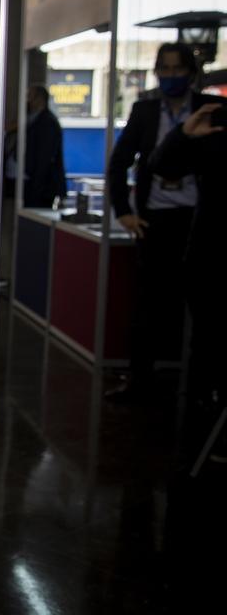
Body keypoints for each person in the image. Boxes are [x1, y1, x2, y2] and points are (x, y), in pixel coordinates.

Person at [105, 43, 223, 402]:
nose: (171, 76)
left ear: (191, 73)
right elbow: (120, 163)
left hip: (199, 221)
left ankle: (201, 390)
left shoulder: (213, 111)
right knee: (148, 306)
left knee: (205, 310)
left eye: (177, 69)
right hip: (154, 220)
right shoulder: (145, 112)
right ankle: (139, 380)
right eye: (164, 69)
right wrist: (123, 210)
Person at [151, 100, 226, 449]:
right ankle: (199, 430)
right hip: (211, 259)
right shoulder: (215, 126)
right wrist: (184, 134)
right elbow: (161, 165)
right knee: (208, 345)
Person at [21, 85, 67, 208]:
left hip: (42, 187)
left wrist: (35, 186)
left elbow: (44, 158)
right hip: (34, 184)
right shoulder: (33, 119)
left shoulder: (47, 122)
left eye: (30, 97)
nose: (27, 101)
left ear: (39, 99)